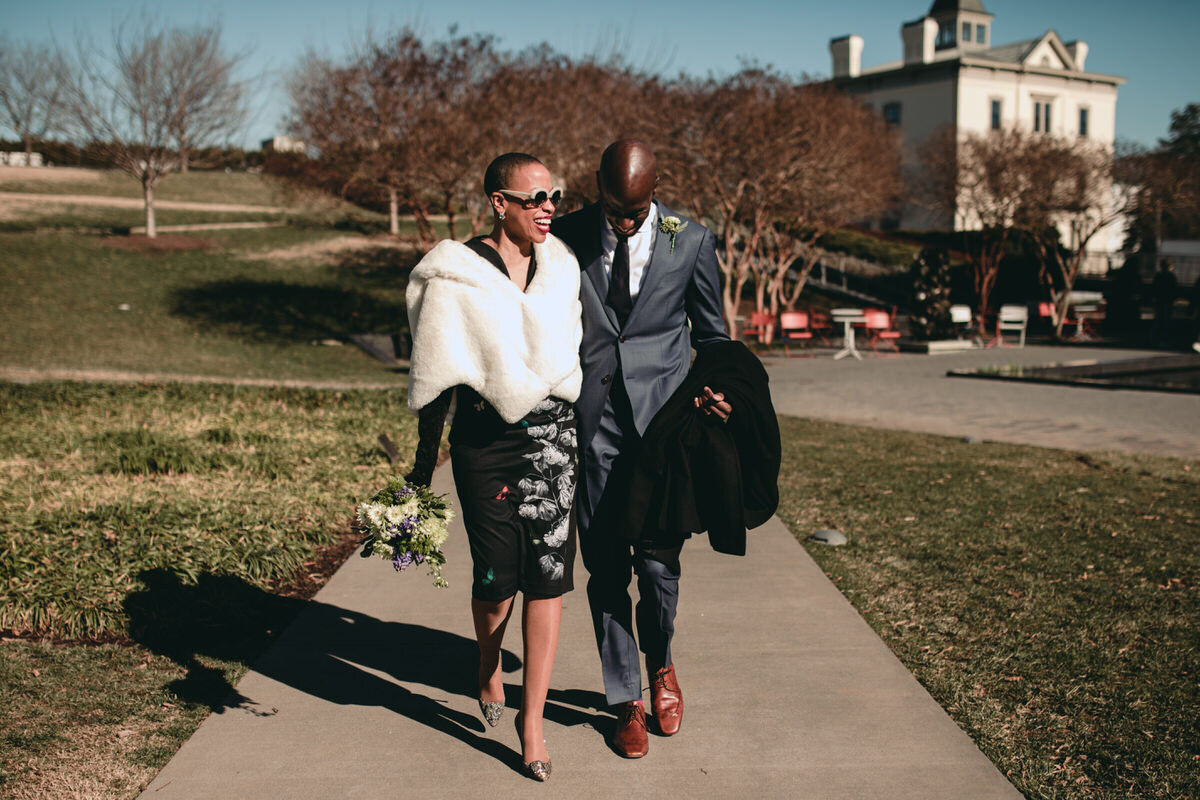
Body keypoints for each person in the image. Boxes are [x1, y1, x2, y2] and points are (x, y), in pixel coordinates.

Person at [404, 153, 582, 782]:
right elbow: (435, 378)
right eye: (532, 198)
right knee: (496, 578)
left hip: (554, 436)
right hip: (484, 443)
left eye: (553, 196)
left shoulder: (561, 267)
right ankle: (487, 659)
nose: (547, 207)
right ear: (497, 202)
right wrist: (421, 476)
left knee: (549, 575)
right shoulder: (455, 273)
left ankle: (532, 724)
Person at [551, 140, 731, 759]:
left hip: (664, 428)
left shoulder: (693, 240)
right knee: (605, 565)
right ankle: (623, 696)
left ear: (655, 190)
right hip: (593, 423)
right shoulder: (566, 233)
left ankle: (662, 665)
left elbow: (711, 333)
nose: (623, 223)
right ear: (596, 186)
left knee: (657, 565)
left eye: (635, 212)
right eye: (612, 210)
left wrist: (718, 395)